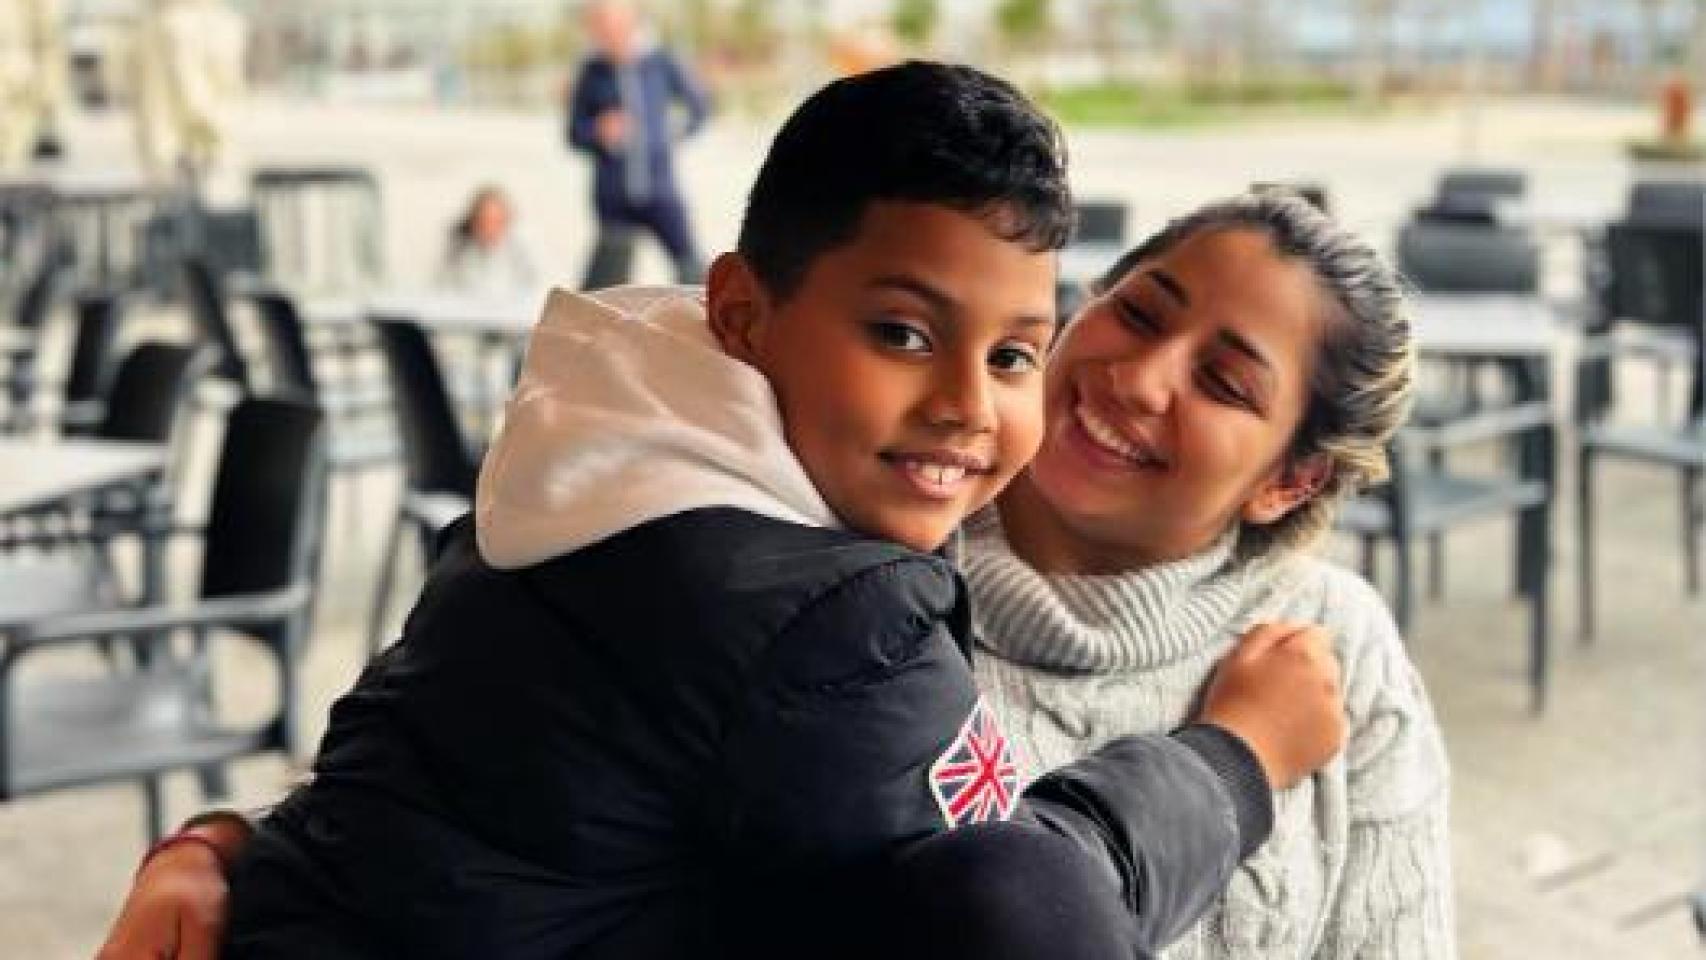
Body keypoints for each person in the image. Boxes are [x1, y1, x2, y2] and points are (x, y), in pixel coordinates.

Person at [97, 63, 1347, 960]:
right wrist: (1231, 761)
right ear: (742, 314)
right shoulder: (836, 587)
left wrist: (241, 852)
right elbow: (1017, 901)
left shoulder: (598, 460)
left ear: (1295, 479)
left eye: (1011, 353)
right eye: (902, 334)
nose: (970, 405)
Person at [970, 190, 1453, 957]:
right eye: (1139, 314)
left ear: (1291, 482)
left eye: (1225, 383)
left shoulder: (1339, 641)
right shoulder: (882, 581)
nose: (1140, 379)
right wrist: (1236, 756)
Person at [566, 0, 709, 289]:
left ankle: (721, 316)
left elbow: (698, 107)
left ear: (631, 24)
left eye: (613, 26)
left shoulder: (661, 62)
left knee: (692, 270)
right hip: (613, 196)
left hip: (660, 191)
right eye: (599, 28)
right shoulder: (592, 72)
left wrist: (672, 133)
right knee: (606, 286)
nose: (607, 34)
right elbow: (574, 133)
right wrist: (596, 130)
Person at [131, 0, 246, 185]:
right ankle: (199, 151)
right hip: (200, 19)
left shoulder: (172, 25)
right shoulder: (219, 24)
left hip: (183, 19)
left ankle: (197, 152)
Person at [435, 185, 539, 295]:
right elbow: (442, 288)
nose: (490, 228)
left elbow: (535, 286)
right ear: (474, 222)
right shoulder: (459, 249)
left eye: (496, 221)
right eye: (484, 221)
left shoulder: (522, 248)